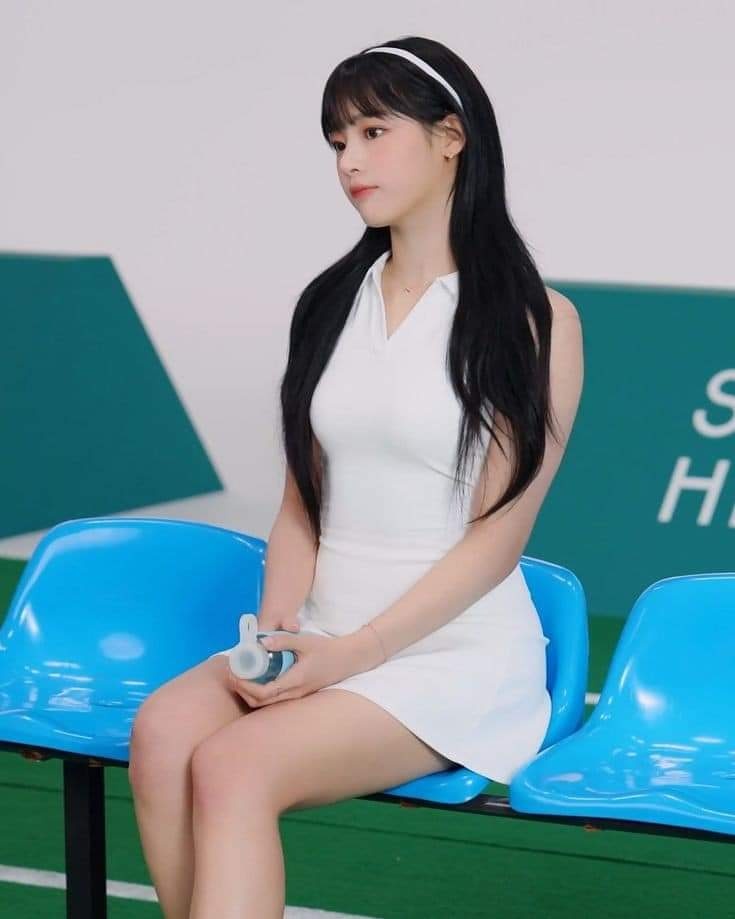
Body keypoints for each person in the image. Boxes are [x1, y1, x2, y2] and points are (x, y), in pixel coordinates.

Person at [128, 35, 584, 919]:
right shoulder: (329, 301)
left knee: (233, 766)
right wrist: (276, 633)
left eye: (374, 132)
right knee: (163, 731)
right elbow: (302, 504)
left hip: (448, 657)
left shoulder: (534, 319)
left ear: (450, 136)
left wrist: (355, 653)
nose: (349, 161)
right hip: (321, 636)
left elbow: (499, 539)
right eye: (337, 141)